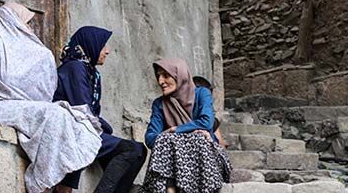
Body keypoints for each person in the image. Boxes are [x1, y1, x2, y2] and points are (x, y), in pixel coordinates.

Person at [0, 3, 102, 193]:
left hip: (19, 106)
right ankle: (41, 185)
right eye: (26, 22)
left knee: (75, 119)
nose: (30, 28)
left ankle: (62, 188)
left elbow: (42, 93)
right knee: (55, 115)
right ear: (13, 21)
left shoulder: (31, 51)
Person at [54, 26, 147, 193]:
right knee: (133, 150)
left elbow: (92, 111)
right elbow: (83, 108)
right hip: (73, 129)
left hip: (84, 128)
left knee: (138, 151)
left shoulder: (91, 73)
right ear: (92, 45)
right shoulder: (75, 67)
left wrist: (102, 126)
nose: (107, 51)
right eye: (103, 46)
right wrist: (104, 127)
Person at [140, 59, 231, 193]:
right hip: (172, 165)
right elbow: (150, 138)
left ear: (180, 75)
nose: (160, 81)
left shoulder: (201, 94)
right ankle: (170, 189)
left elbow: (206, 122)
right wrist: (180, 137)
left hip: (205, 163)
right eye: (158, 76)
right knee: (167, 140)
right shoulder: (159, 104)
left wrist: (174, 129)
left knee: (198, 140)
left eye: (166, 75)